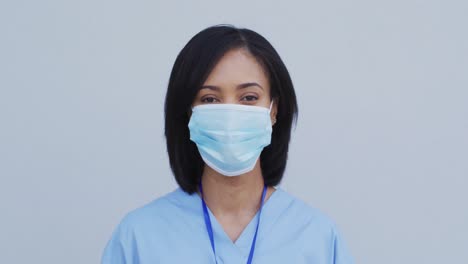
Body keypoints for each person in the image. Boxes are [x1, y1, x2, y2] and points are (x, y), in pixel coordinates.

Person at [101, 24, 355, 264]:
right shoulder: (138, 238)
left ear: (274, 110)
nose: (231, 114)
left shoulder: (318, 239)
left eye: (248, 97)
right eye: (210, 99)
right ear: (189, 113)